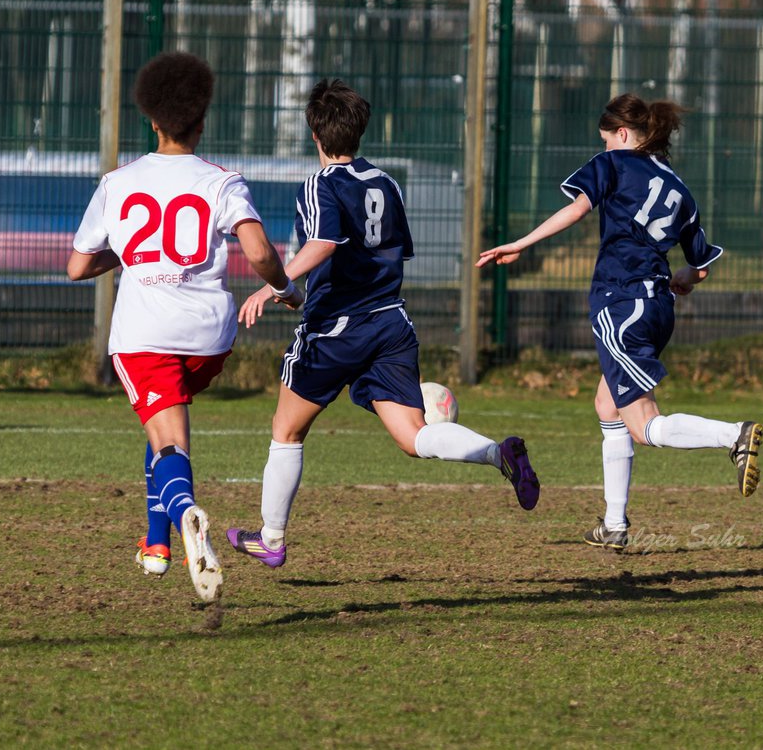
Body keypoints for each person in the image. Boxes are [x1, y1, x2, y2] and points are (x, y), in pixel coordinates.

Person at [225, 78, 540, 569]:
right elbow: (394, 252)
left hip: (335, 328)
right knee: (414, 437)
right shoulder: (387, 183)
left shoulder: (320, 184)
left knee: (286, 430)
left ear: (316, 135)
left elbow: (324, 243)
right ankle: (498, 453)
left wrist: (275, 285)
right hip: (391, 322)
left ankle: (271, 537)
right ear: (360, 131)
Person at [476, 93, 763, 552]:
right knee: (607, 406)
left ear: (623, 135)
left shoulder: (613, 164)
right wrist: (683, 279)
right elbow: (701, 267)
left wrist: (521, 244)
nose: (605, 146)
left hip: (621, 303)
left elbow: (575, 209)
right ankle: (614, 525)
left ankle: (733, 435)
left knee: (644, 426)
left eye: (607, 138)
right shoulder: (679, 188)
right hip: (657, 307)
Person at [67, 51, 302, 601]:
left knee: (169, 441)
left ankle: (185, 513)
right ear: (201, 120)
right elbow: (261, 253)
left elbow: (78, 266)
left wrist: (130, 257)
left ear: (151, 119)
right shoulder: (223, 182)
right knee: (164, 426)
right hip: (209, 341)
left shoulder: (118, 182)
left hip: (145, 335)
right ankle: (155, 544)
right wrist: (288, 291)